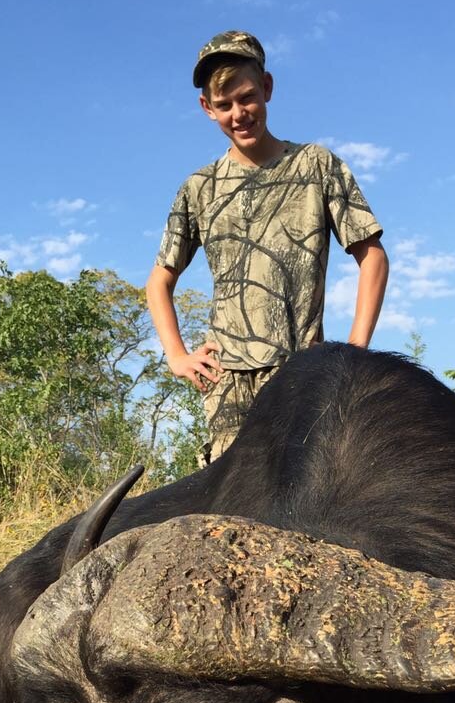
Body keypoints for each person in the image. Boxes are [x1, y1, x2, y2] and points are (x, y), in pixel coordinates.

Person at [146, 30, 389, 461]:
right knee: (232, 508)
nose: (238, 113)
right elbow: (159, 281)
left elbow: (372, 257)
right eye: (223, 105)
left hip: (303, 372)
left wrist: (354, 351)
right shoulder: (199, 188)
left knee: (310, 495)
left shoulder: (316, 164)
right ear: (207, 108)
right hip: (227, 382)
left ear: (267, 88)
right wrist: (177, 357)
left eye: (246, 97)